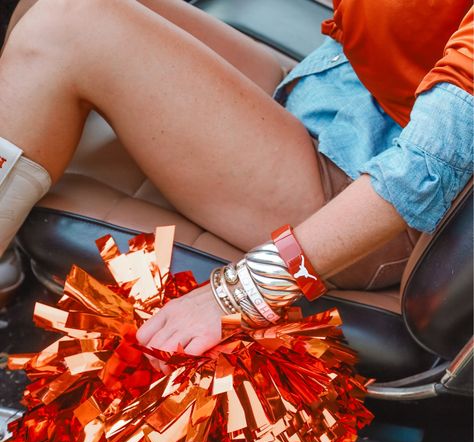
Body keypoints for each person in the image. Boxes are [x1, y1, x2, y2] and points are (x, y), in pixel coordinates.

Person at [0, 0, 472, 370]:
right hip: (338, 90)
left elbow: (419, 175)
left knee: (66, 29)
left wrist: (237, 293)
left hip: (362, 197)